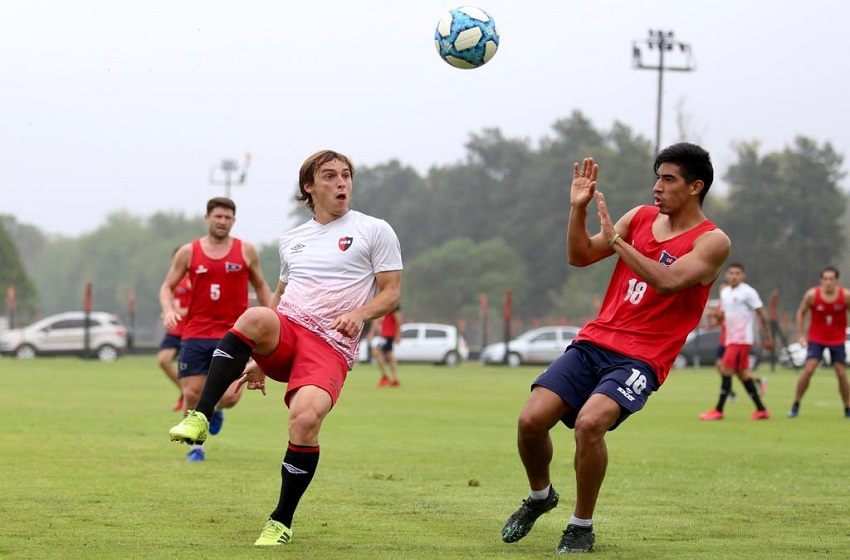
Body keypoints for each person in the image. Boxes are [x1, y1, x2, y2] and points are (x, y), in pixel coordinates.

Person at [500, 143, 730, 554]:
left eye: (668, 179)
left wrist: (619, 244)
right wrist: (578, 208)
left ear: (696, 187)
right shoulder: (639, 217)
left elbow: (669, 281)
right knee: (530, 421)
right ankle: (540, 496)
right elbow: (580, 255)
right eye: (656, 177)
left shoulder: (712, 242)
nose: (656, 186)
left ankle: (580, 526)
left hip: (643, 357)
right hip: (595, 341)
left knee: (591, 424)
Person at [168, 150, 402, 545]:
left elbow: (391, 293)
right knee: (256, 315)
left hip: (329, 347)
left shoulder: (374, 230)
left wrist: (360, 313)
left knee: (305, 421)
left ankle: (280, 520)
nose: (341, 182)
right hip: (289, 330)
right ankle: (201, 416)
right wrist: (258, 354)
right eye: (329, 176)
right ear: (309, 187)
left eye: (346, 175)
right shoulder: (293, 239)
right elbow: (279, 294)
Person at [160, 196, 271, 461]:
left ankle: (214, 409)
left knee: (231, 398)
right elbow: (167, 287)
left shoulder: (246, 251)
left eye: (227, 217)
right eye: (218, 216)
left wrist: (271, 317)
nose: (222, 221)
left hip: (234, 335)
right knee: (190, 392)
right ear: (207, 218)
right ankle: (195, 446)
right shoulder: (189, 252)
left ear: (233, 221)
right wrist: (169, 310)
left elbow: (261, 286)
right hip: (195, 333)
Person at [699, 264, 773, 421]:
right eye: (731, 273)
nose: (734, 276)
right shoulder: (725, 292)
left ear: (743, 276)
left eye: (737, 273)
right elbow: (724, 316)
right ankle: (761, 410)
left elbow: (761, 313)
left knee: (725, 370)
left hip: (741, 340)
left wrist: (768, 336)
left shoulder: (748, 292)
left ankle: (718, 410)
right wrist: (715, 318)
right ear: (727, 275)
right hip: (730, 339)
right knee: (743, 375)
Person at [788, 266, 850, 418]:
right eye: (825, 279)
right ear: (821, 280)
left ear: (836, 280)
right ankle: (796, 405)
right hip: (817, 338)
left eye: (831, 279)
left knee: (841, 373)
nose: (828, 282)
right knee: (809, 370)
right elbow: (801, 313)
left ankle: (848, 407)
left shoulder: (846, 295)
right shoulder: (812, 295)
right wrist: (801, 335)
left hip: (837, 339)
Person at [156, 250, 192, 411]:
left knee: (191, 371)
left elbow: (201, 306)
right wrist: (167, 311)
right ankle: (184, 390)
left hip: (191, 329)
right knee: (163, 360)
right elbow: (168, 298)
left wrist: (181, 311)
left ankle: (192, 396)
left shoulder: (193, 278)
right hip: (175, 327)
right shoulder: (172, 280)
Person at [374, 305, 402, 387]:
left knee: (376, 351)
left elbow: (399, 321)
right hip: (385, 335)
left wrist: (398, 335)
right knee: (390, 355)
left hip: (389, 335)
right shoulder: (386, 305)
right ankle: (394, 379)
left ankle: (385, 377)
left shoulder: (394, 306)